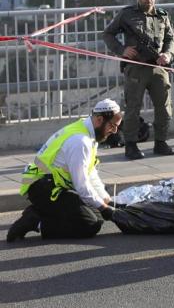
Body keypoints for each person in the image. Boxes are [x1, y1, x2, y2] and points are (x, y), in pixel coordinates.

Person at [8, 99, 123, 242]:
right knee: (89, 224)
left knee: (97, 215)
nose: (114, 131)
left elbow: (90, 172)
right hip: (42, 188)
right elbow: (82, 185)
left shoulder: (87, 131)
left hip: (53, 185)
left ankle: (41, 212)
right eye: (112, 126)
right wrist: (104, 208)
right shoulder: (80, 141)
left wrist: (105, 200)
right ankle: (36, 221)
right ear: (100, 119)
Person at [102, 0, 174, 160]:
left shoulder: (162, 16)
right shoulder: (127, 14)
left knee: (164, 107)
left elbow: (171, 40)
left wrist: (168, 55)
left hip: (158, 68)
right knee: (133, 108)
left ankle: (160, 142)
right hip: (136, 68)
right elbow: (107, 34)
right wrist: (122, 50)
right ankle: (130, 145)